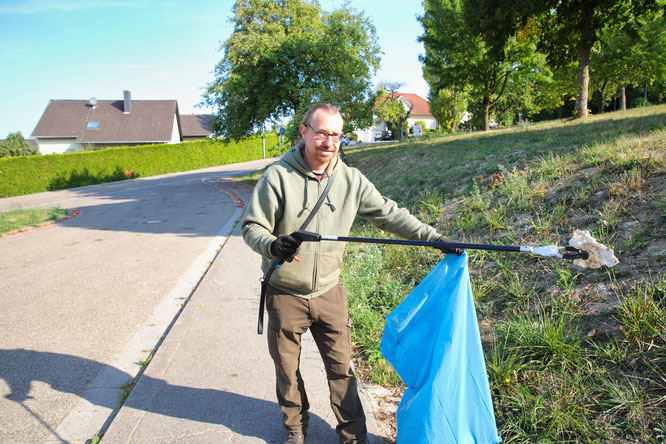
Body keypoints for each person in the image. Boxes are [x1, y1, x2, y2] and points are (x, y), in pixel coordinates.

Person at [241, 103, 461, 444]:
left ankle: (354, 436)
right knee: (287, 371)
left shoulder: (351, 180)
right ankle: (295, 430)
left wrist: (436, 240)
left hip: (330, 292)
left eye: (336, 135)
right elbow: (252, 227)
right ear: (304, 132)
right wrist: (273, 246)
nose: (329, 142)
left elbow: (390, 214)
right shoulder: (277, 177)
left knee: (342, 371)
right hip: (285, 293)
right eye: (322, 133)